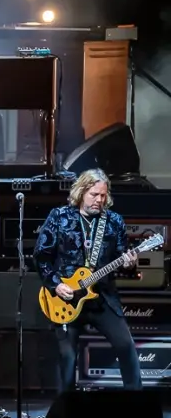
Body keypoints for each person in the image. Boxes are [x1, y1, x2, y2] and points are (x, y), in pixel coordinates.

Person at [33, 168, 141, 393]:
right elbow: (41, 257)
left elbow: (123, 259)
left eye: (103, 195)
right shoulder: (60, 217)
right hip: (67, 299)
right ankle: (64, 408)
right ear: (81, 192)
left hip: (102, 297)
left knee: (126, 347)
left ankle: (137, 403)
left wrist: (130, 263)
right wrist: (56, 284)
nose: (99, 200)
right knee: (68, 357)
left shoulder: (114, 221)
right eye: (94, 195)